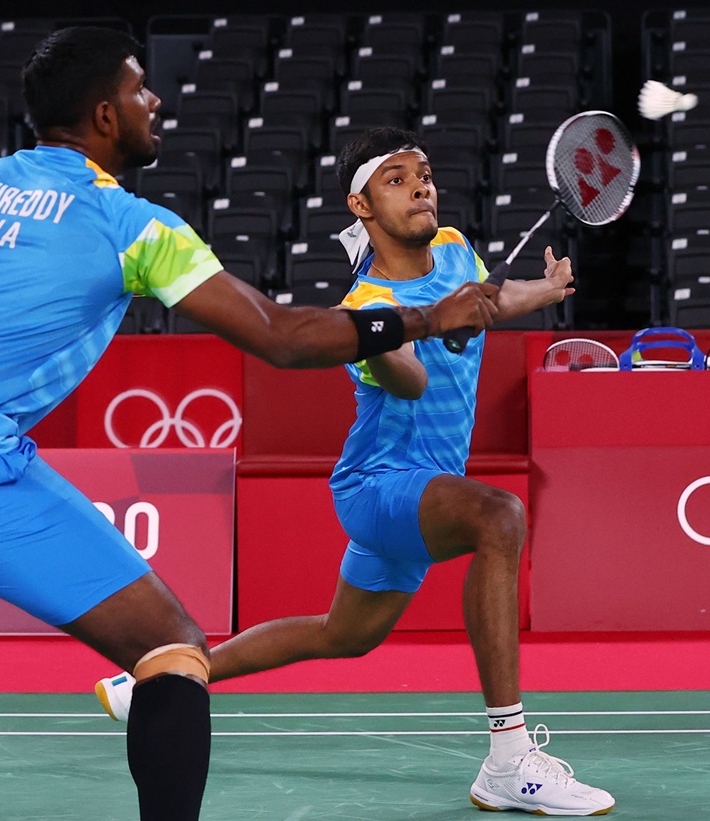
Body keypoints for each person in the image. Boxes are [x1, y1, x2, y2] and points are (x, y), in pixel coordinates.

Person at [0, 30, 498, 821]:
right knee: (171, 650)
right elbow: (283, 337)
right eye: (139, 91)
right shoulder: (131, 223)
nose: (155, 102)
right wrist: (422, 319)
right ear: (102, 114)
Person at [95, 127, 616, 817]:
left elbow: (482, 303)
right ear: (361, 205)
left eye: (424, 172)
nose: (420, 185)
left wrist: (538, 292)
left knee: (343, 634)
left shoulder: (457, 247)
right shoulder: (362, 308)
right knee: (499, 515)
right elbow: (407, 378)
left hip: (425, 486)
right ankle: (509, 756)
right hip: (380, 484)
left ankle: (159, 679)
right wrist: (427, 324)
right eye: (396, 178)